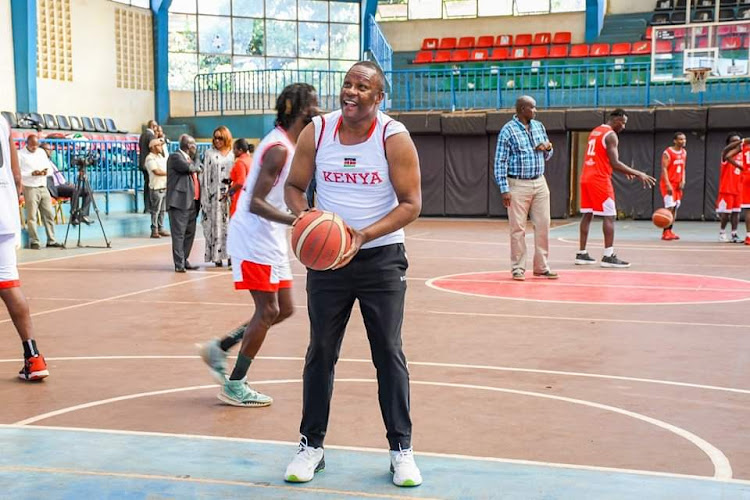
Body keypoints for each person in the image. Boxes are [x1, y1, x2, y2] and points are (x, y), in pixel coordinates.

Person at [283, 61, 423, 487]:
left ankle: (402, 450)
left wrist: (360, 236)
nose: (351, 92)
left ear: (378, 98)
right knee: (320, 351)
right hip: (328, 262)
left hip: (379, 258)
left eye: (362, 87)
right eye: (347, 84)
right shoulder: (318, 131)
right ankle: (311, 446)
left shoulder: (392, 136)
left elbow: (411, 203)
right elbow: (294, 187)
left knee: (388, 352)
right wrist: (307, 219)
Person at [198, 83, 319, 408]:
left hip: (271, 238)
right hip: (253, 237)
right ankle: (235, 383)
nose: (319, 110)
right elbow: (254, 203)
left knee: (285, 309)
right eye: (314, 104)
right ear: (298, 109)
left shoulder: (292, 145)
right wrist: (297, 221)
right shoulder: (278, 148)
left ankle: (220, 348)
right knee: (268, 310)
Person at [0, 116, 49, 380]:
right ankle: (34, 357)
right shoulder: (3, 121)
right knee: (8, 284)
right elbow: (17, 175)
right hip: (4, 213)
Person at [576, 109, 656, 268]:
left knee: (587, 215)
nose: (624, 126)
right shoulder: (611, 135)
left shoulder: (596, 131)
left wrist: (625, 171)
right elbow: (615, 163)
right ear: (616, 120)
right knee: (610, 216)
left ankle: (582, 253)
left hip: (586, 177)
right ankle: (608, 256)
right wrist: (638, 173)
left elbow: (604, 158)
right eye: (623, 122)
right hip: (599, 179)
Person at [494, 95, 557, 281]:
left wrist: (547, 147)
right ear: (522, 109)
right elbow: (500, 162)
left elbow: (549, 153)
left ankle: (541, 267)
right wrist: (504, 189)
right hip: (517, 184)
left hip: (539, 182)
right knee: (518, 228)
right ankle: (518, 268)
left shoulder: (539, 126)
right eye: (533, 108)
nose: (535, 111)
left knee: (543, 225)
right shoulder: (508, 131)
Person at [18, 135, 61, 249]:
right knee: (32, 216)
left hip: (43, 185)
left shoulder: (41, 152)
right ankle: (34, 241)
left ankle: (51, 240)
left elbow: (49, 168)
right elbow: (18, 172)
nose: (34, 148)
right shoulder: (20, 154)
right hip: (30, 187)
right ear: (27, 143)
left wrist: (44, 172)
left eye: (36, 145)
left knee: (49, 214)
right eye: (32, 146)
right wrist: (31, 174)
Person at [166, 134, 201, 273]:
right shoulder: (175, 157)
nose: (195, 148)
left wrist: (196, 162)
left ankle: (184, 259)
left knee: (189, 233)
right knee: (179, 234)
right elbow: (191, 168)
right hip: (179, 203)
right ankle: (179, 263)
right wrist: (197, 159)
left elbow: (198, 168)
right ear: (189, 146)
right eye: (194, 145)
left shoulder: (189, 159)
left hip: (192, 201)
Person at [201, 126, 234, 267]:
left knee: (231, 226)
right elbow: (206, 177)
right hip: (215, 197)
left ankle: (232, 255)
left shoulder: (233, 154)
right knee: (216, 227)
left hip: (232, 196)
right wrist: (206, 197)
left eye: (220, 137)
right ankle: (217, 256)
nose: (217, 140)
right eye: (215, 137)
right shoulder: (209, 154)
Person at [40, 142, 92, 226]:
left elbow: (58, 176)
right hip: (54, 187)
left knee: (88, 191)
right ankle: (74, 216)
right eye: (49, 149)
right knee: (75, 190)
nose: (51, 151)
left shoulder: (50, 161)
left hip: (62, 185)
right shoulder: (40, 162)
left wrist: (66, 183)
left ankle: (83, 215)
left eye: (51, 149)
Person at [659, 132, 687, 241]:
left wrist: (683, 180)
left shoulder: (684, 152)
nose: (683, 141)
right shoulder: (668, 152)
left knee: (675, 208)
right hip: (669, 184)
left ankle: (670, 230)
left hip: (678, 184)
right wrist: (667, 184)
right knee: (669, 207)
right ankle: (665, 232)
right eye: (680, 139)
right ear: (675, 141)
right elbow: (664, 169)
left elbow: (683, 167)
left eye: (684, 139)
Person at [718, 133, 744, 243]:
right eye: (733, 141)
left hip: (739, 188)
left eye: (737, 140)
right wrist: (741, 142)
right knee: (726, 213)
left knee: (736, 212)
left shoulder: (742, 155)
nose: (735, 143)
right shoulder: (725, 155)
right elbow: (725, 151)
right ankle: (722, 233)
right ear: (728, 143)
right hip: (727, 188)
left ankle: (734, 234)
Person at [144, 138, 169, 239]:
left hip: (164, 185)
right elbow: (156, 171)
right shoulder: (150, 158)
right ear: (153, 147)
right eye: (159, 145)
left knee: (162, 210)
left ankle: (161, 227)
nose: (161, 147)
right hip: (156, 187)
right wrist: (169, 173)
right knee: (155, 210)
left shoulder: (160, 157)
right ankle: (154, 230)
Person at [226, 140, 254, 218]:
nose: (233, 151)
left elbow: (241, 182)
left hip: (239, 197)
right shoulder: (251, 160)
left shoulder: (240, 162)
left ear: (240, 150)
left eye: (234, 149)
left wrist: (229, 192)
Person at [138, 120, 159, 213]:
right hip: (149, 164)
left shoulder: (142, 135)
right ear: (153, 126)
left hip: (142, 163)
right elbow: (153, 147)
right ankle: (150, 206)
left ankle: (146, 207)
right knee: (151, 186)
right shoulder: (151, 136)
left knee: (146, 185)